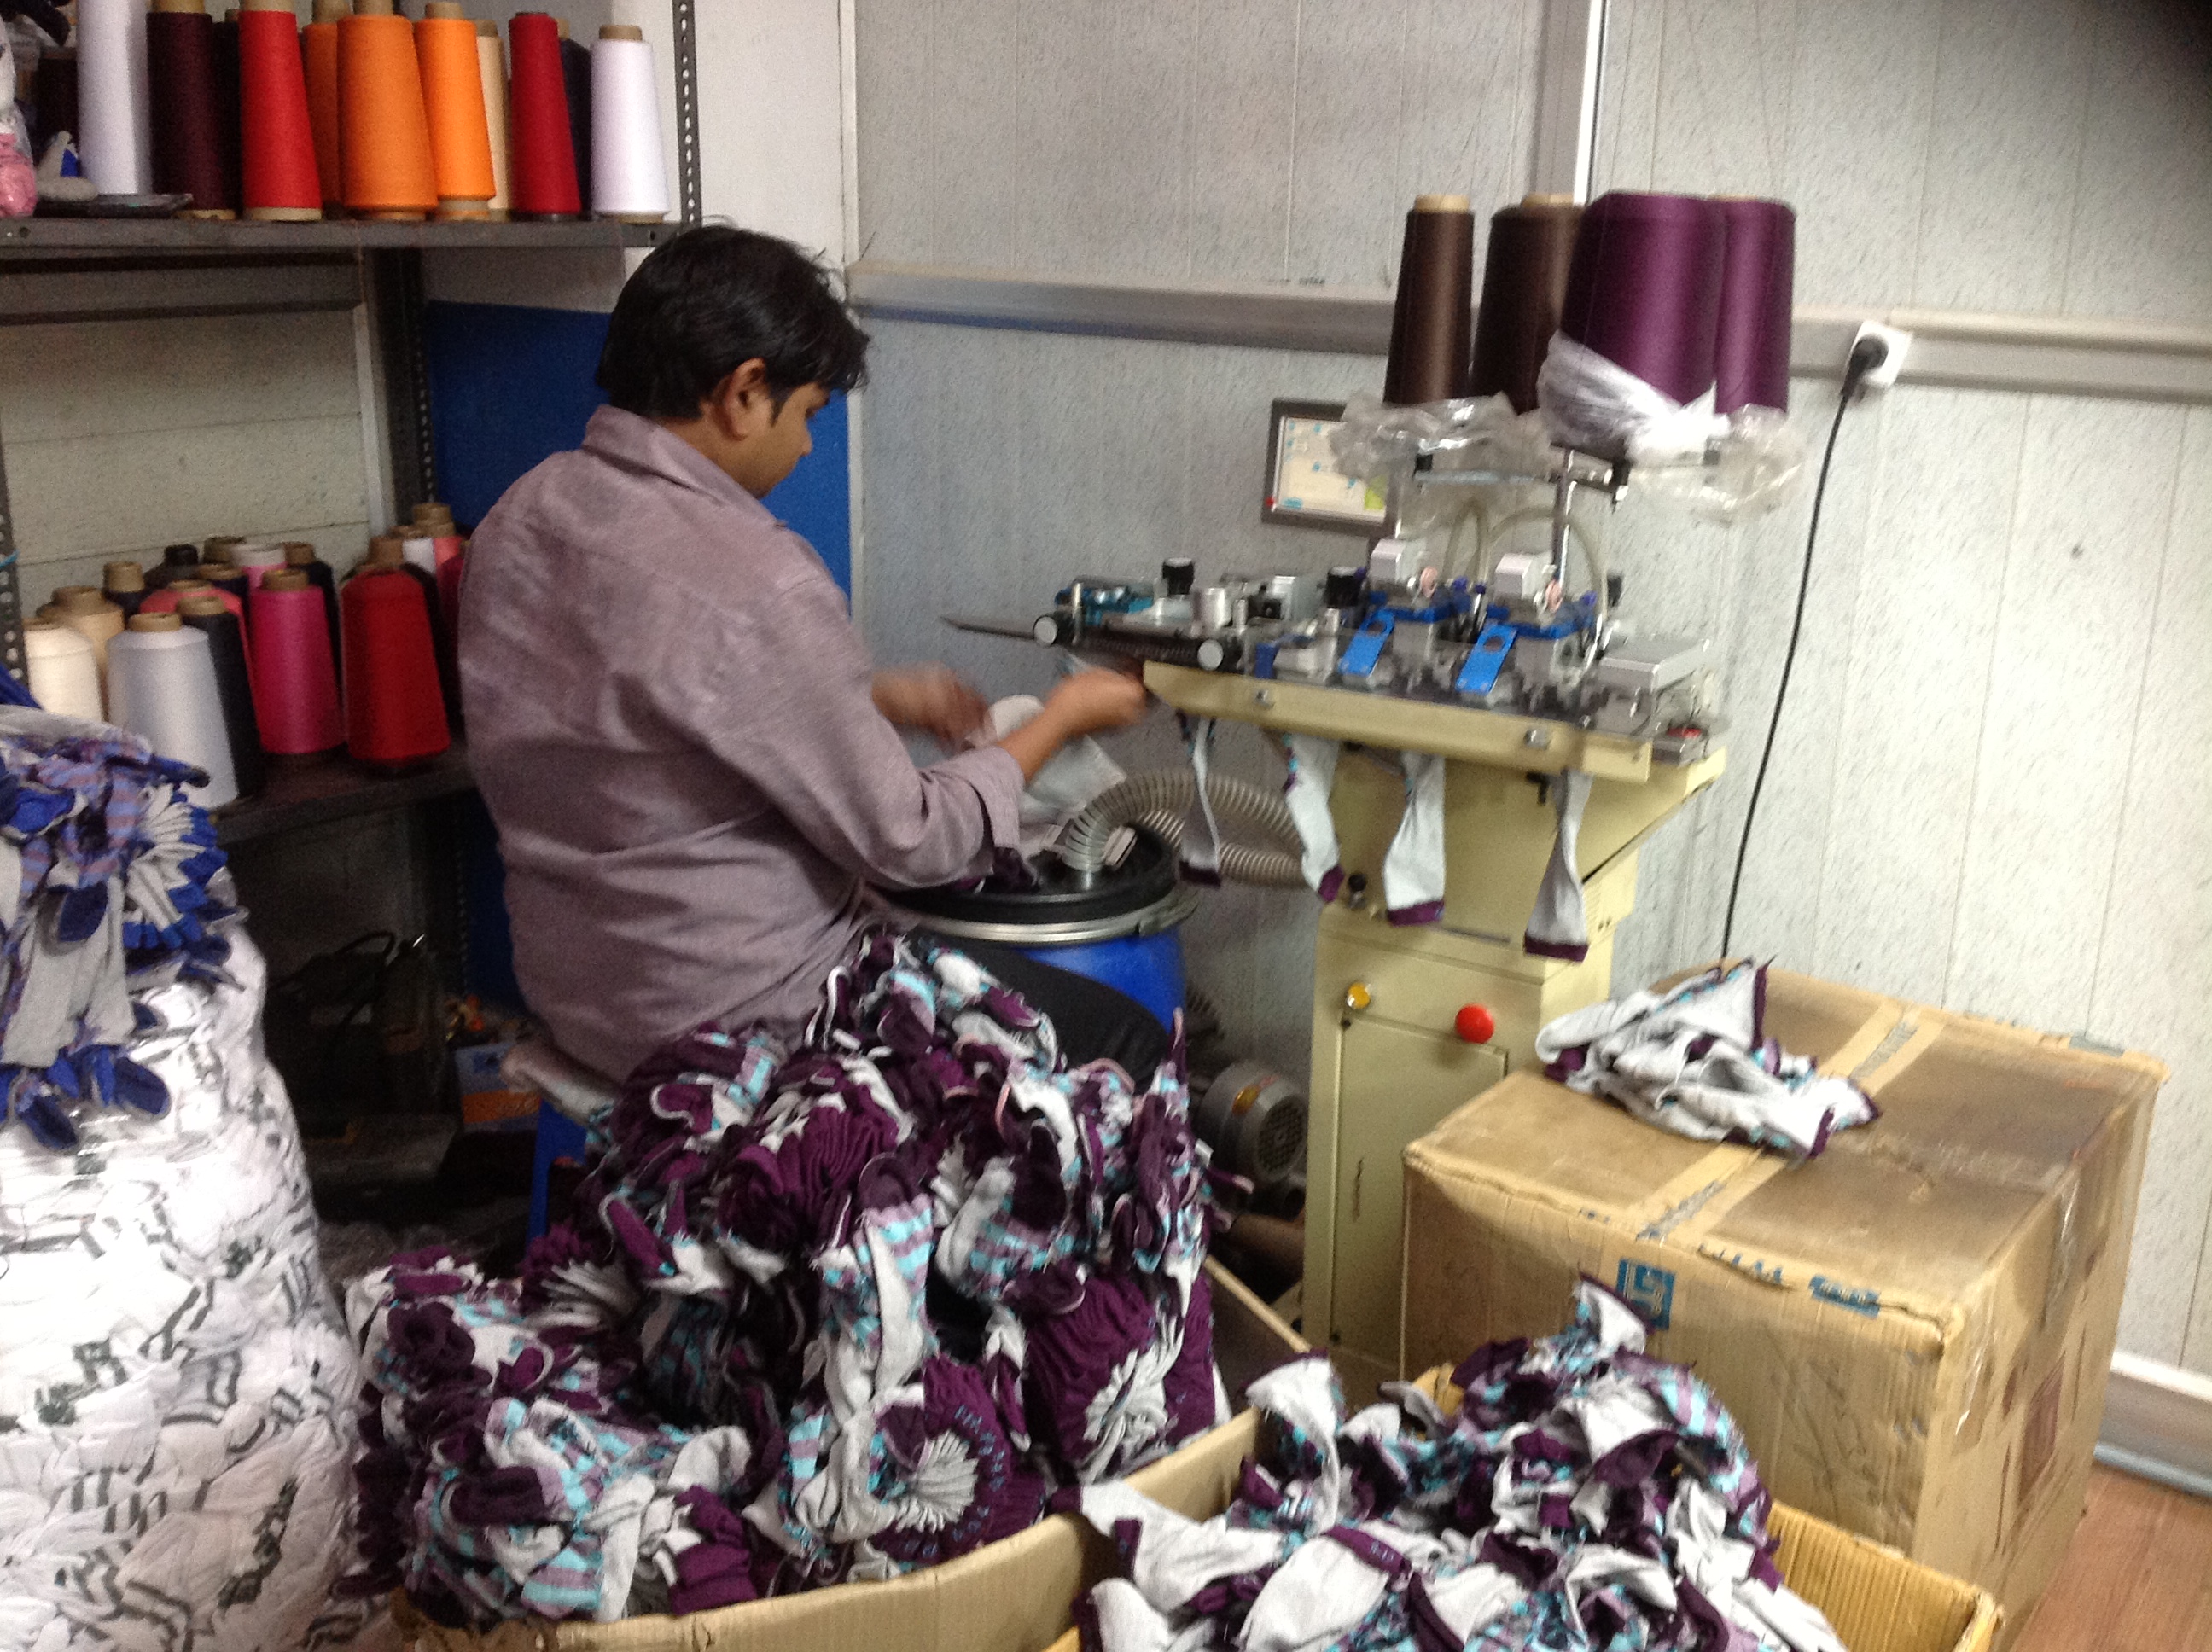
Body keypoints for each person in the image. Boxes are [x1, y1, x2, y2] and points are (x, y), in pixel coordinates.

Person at [460, 225, 1156, 1085]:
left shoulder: (520, 517)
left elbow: (644, 716)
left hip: (583, 996)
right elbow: (913, 841)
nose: (807, 448)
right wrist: (1063, 718)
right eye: (809, 414)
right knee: (1127, 1038)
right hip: (739, 1018)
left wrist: (873, 698)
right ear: (745, 391)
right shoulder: (759, 580)